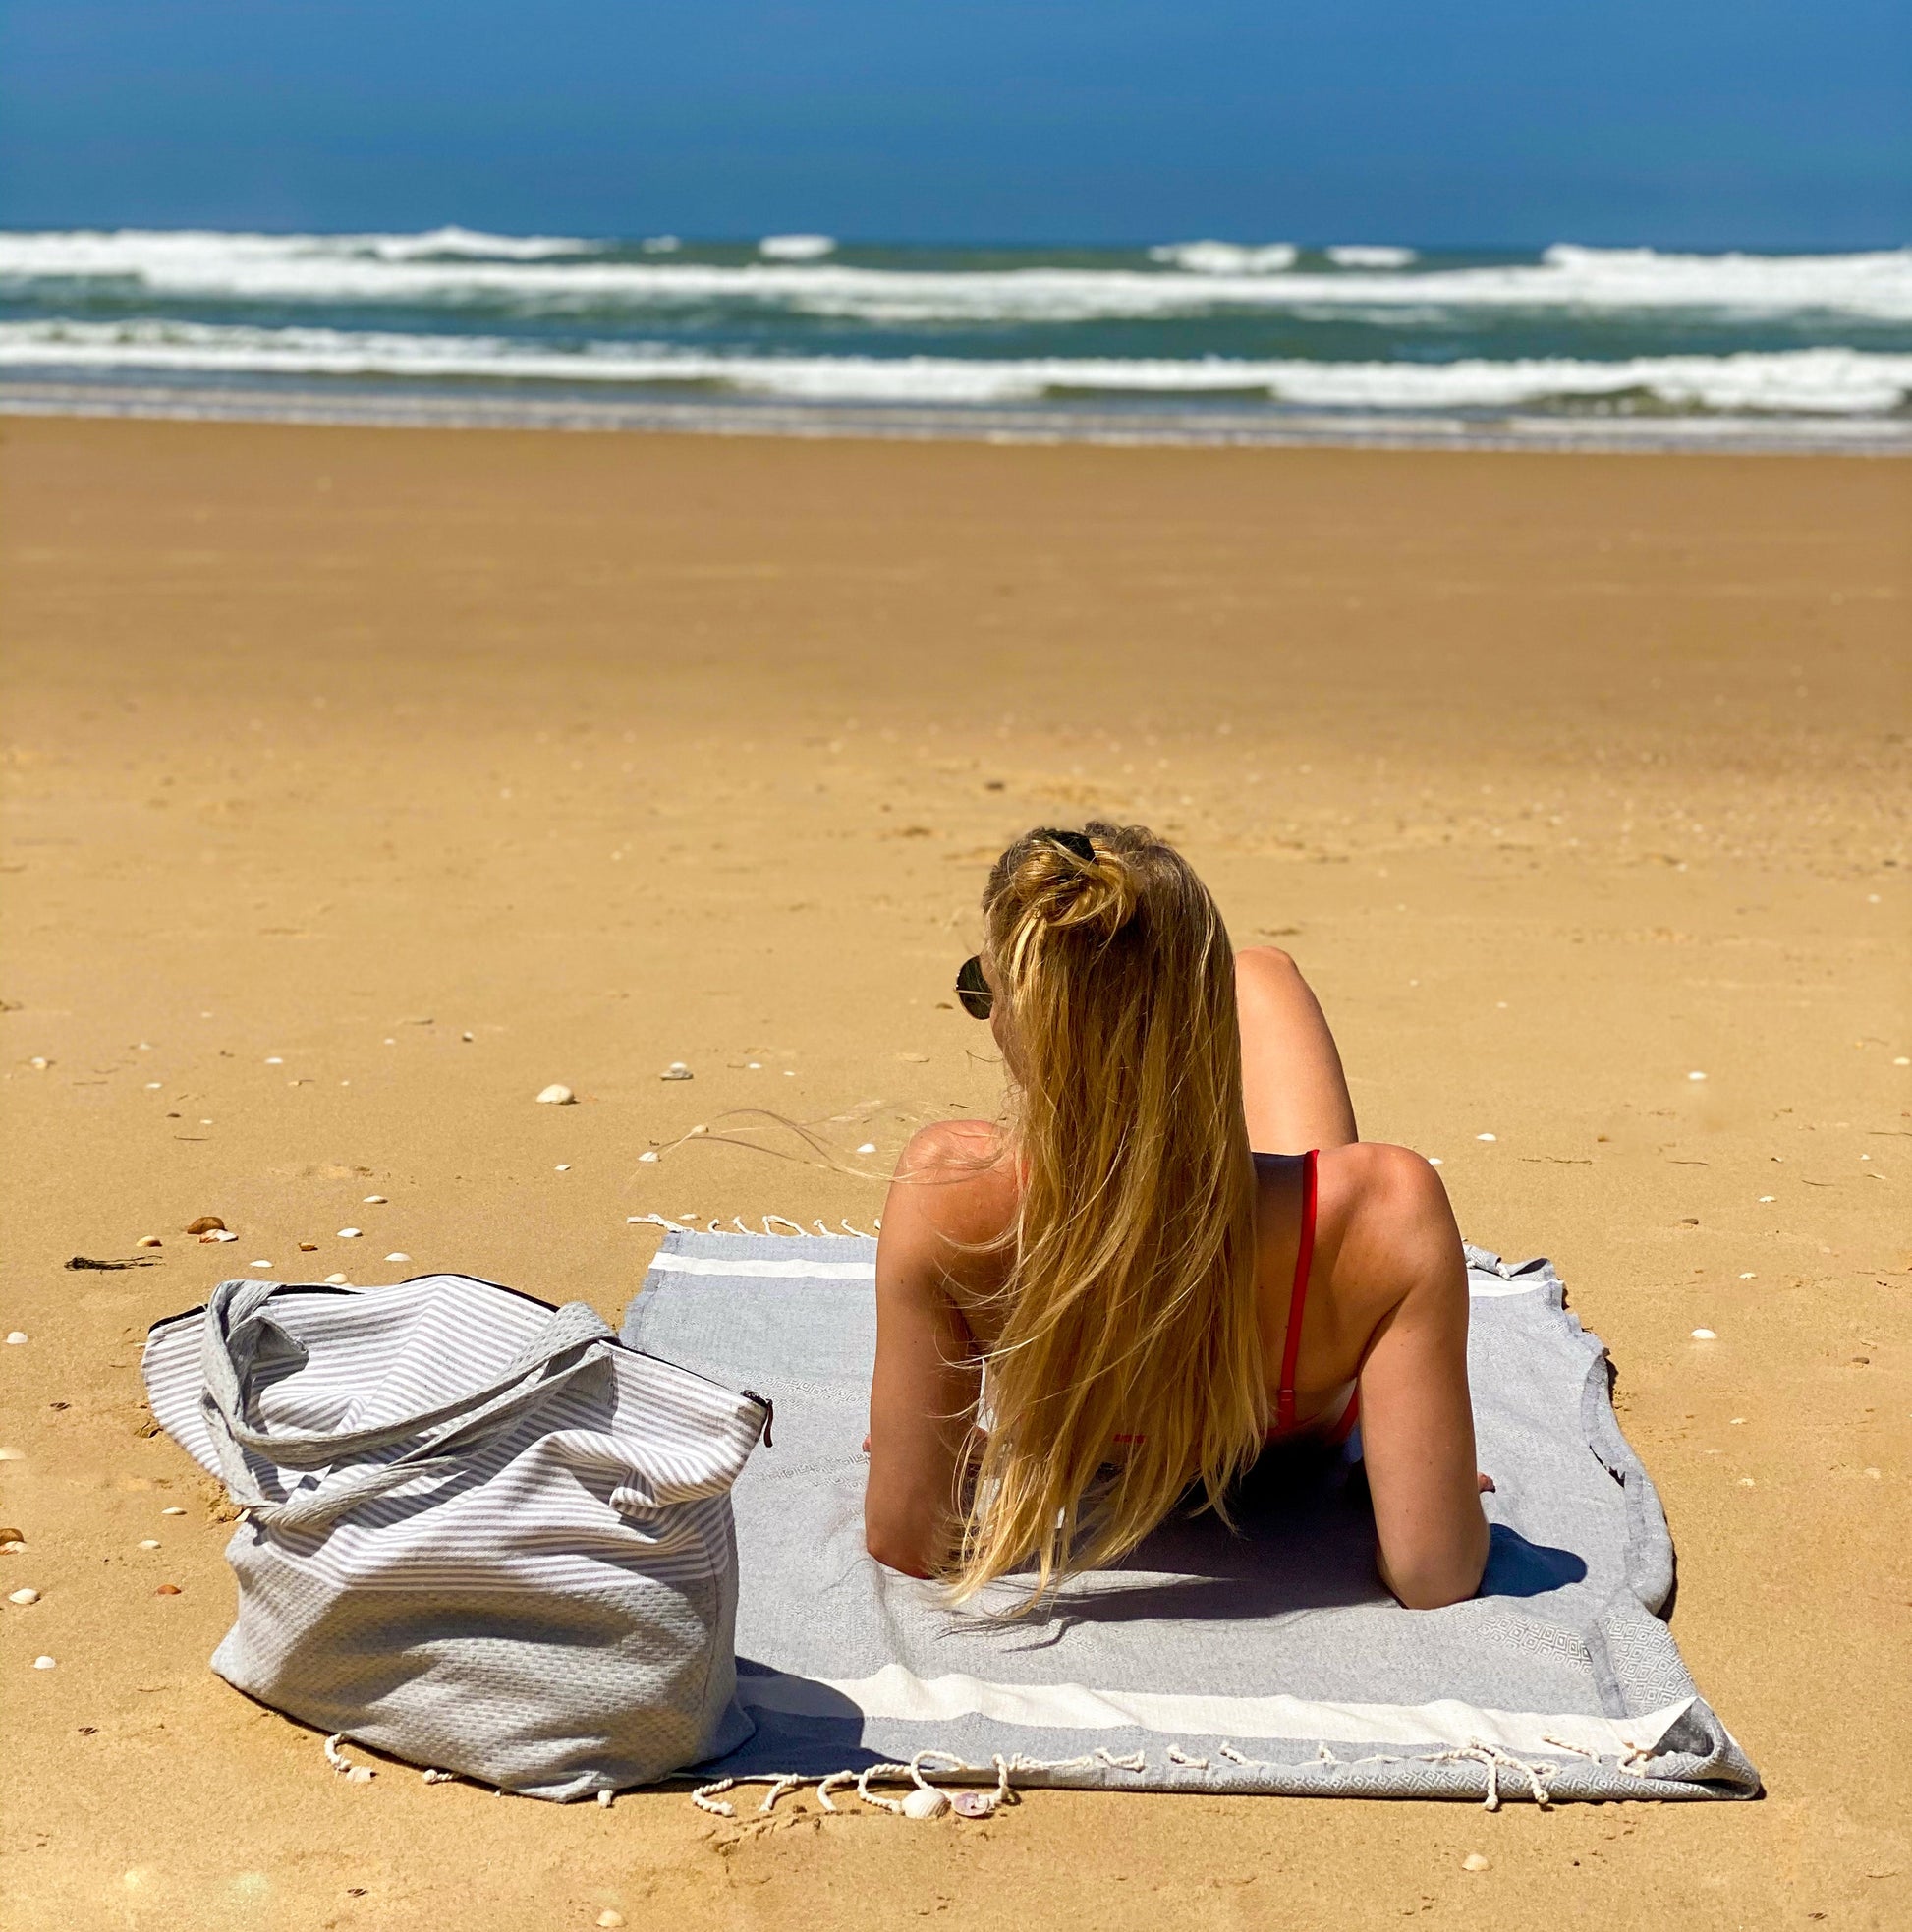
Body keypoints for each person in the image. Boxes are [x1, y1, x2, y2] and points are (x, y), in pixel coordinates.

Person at [865, 822, 1490, 1612]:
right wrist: (1429, 1473)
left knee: (1253, 987)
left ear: (1015, 1017)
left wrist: (951, 1454)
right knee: (1264, 972)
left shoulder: (952, 1191)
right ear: (1207, 1020)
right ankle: (1215, 986)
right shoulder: (1385, 1214)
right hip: (1283, 1434)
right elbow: (1435, 1573)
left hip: (1085, 1429)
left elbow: (907, 1538)